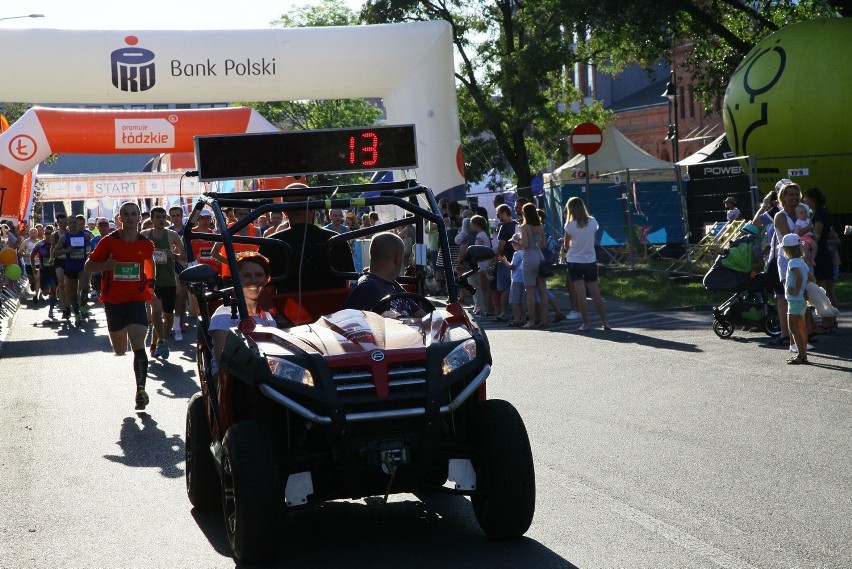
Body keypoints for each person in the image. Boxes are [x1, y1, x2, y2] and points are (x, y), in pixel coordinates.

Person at [84, 201, 156, 410]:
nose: (131, 217)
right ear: (120, 218)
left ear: (139, 218)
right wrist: (105, 265)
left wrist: (151, 288)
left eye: (134, 214)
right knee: (120, 350)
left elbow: (149, 266)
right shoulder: (108, 242)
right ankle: (119, 340)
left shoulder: (146, 244)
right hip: (113, 301)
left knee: (138, 344)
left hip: (136, 300)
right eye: (127, 214)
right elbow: (89, 266)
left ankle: (141, 390)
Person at [258, 183, 355, 293]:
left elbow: (267, 291)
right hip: (333, 307)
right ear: (312, 208)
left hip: (287, 307)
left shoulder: (270, 244)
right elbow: (346, 283)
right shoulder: (337, 240)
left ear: (284, 211)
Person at [208, 252, 276, 376]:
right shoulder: (224, 314)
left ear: (266, 280)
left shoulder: (269, 319)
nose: (253, 280)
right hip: (229, 383)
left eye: (259, 275)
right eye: (246, 275)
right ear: (236, 279)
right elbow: (223, 363)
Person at [141, 207, 186, 360]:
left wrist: (172, 255)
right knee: (156, 309)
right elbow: (135, 252)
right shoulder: (145, 235)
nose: (160, 220)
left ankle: (160, 341)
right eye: (157, 217)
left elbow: (185, 256)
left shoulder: (172, 235)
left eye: (162, 217)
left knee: (168, 315)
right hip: (152, 279)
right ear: (151, 219)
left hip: (169, 279)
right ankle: (162, 341)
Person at [342, 232, 423, 317]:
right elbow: (349, 325)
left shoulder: (394, 285)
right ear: (398, 259)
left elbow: (422, 316)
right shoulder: (367, 288)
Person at [563, 197, 610, 331]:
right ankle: (605, 322)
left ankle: (586, 323)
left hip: (574, 260)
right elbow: (593, 237)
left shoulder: (569, 225)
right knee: (596, 293)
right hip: (590, 260)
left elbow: (566, 246)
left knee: (580, 294)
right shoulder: (593, 221)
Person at [803, 187, 839, 308]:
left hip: (820, 254)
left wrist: (806, 238)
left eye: (806, 198)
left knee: (823, 288)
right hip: (824, 252)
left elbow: (817, 236)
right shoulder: (823, 213)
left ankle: (827, 320)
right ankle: (833, 319)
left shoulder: (819, 215)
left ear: (812, 199)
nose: (804, 200)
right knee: (830, 289)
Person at [781, 233, 811, 364]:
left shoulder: (792, 262)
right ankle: (802, 354)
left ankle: (801, 355)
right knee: (800, 328)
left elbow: (798, 276)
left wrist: (796, 289)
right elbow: (812, 278)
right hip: (800, 300)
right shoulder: (802, 262)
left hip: (794, 300)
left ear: (788, 249)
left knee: (793, 329)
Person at [518, 202, 549, 328]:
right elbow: (544, 245)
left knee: (530, 292)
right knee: (543, 290)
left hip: (529, 258)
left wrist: (519, 240)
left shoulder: (524, 227)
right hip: (539, 256)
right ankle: (544, 319)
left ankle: (531, 320)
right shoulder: (540, 226)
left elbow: (525, 245)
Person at [491, 204, 517, 321]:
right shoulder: (516, 225)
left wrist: (495, 260)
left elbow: (501, 247)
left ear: (504, 213)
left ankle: (503, 313)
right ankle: (517, 312)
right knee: (515, 286)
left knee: (504, 287)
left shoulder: (504, 227)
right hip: (515, 258)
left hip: (504, 259)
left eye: (498, 214)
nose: (497, 217)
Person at [30, 226, 59, 317]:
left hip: (54, 271)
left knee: (53, 289)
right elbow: (32, 255)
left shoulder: (57, 244)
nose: (48, 235)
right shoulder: (40, 244)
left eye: (50, 233)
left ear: (53, 234)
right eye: (46, 233)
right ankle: (48, 294)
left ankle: (51, 309)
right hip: (44, 271)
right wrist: (34, 268)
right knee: (46, 292)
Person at [18, 227, 40, 301]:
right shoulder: (26, 242)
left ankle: (36, 295)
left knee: (37, 278)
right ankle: (32, 284)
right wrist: (25, 254)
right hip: (28, 263)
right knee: (31, 279)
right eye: (32, 232)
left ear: (37, 233)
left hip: (38, 263)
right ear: (29, 233)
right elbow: (20, 251)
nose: (33, 234)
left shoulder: (40, 242)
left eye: (34, 232)